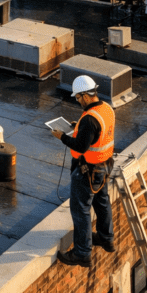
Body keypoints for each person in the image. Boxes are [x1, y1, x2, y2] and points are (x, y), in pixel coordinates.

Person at [52, 74, 115, 268]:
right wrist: (76, 127)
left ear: (85, 96)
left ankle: (82, 253)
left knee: (81, 210)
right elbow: (96, 134)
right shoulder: (105, 109)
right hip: (104, 167)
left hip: (88, 171)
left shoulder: (89, 119)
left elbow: (80, 146)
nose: (78, 101)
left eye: (78, 98)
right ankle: (106, 238)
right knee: (102, 202)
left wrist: (62, 136)